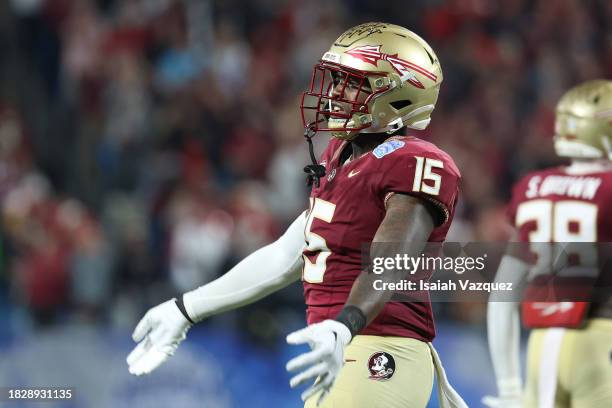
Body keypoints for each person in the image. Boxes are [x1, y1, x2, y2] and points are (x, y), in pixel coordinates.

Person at [127, 22, 467, 408]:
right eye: (337, 79)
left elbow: (391, 259)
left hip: (379, 350)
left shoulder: (414, 160)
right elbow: (286, 255)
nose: (336, 92)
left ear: (399, 96)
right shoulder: (344, 158)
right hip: (341, 348)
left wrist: (344, 324)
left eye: (353, 82)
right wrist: (186, 309)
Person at [484, 80, 612, 408]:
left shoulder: (533, 185)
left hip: (542, 345)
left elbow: (502, 294)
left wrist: (510, 386)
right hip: (600, 343)